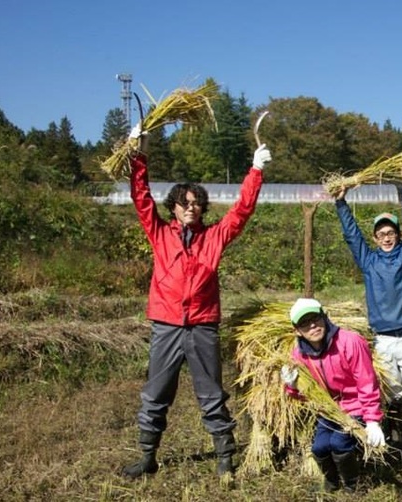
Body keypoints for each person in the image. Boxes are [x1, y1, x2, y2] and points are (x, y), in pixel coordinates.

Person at [121, 124, 272, 479]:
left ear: (202, 208)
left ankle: (224, 457)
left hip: (202, 325)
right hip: (167, 325)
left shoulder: (214, 237)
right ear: (173, 207)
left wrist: (256, 171)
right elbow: (140, 197)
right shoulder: (159, 233)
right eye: (184, 203)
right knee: (156, 392)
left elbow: (241, 212)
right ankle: (147, 456)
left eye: (197, 203)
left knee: (211, 393)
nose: (191, 207)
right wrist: (139, 155)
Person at [334, 173, 402, 468]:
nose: (386, 237)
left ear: (398, 235)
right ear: (375, 238)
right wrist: (340, 202)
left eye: (391, 232)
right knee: (390, 394)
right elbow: (352, 235)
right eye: (381, 233)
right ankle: (396, 442)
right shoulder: (369, 261)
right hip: (383, 340)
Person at [281, 298, 386, 493]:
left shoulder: (350, 342)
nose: (312, 325)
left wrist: (372, 420)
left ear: (324, 317)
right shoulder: (299, 355)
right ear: (297, 330)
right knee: (319, 448)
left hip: (356, 405)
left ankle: (353, 486)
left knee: (339, 443)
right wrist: (292, 386)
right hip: (329, 409)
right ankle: (331, 483)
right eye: (305, 323)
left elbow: (367, 381)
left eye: (316, 318)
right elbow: (306, 396)